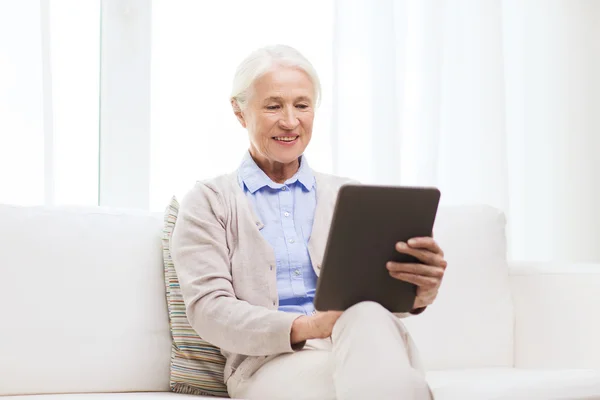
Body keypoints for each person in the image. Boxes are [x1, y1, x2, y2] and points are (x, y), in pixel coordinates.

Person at [171, 44, 447, 400]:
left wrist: (419, 292)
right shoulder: (210, 200)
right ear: (240, 111)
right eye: (273, 106)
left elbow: (379, 297)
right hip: (269, 365)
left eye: (302, 105)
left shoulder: (349, 195)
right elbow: (209, 310)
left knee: (365, 317)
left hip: (362, 345)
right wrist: (307, 327)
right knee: (383, 381)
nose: (290, 121)